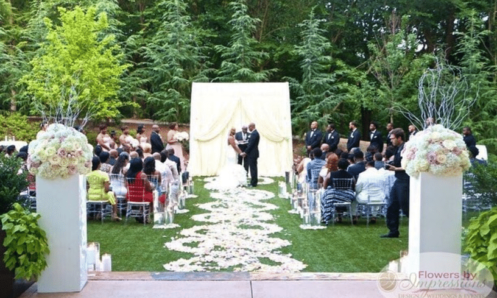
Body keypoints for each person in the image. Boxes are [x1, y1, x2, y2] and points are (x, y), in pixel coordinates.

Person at [382, 128, 409, 238]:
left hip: (405, 181)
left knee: (406, 206)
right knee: (392, 204)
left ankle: (419, 228)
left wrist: (395, 168)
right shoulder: (398, 149)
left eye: (392, 138)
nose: (391, 141)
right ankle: (393, 230)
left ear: (399, 138)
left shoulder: (407, 149)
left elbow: (409, 166)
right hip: (398, 180)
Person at [321, 159, 356, 224]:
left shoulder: (331, 174)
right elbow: (354, 187)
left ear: (338, 166)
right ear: (347, 166)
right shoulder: (351, 176)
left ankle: (325, 215)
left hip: (333, 196)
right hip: (347, 197)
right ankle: (340, 216)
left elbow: (324, 185)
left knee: (325, 195)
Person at [86, 157, 121, 221]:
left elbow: (87, 187)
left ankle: (97, 214)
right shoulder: (104, 174)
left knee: (110, 195)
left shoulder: (88, 175)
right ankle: (114, 214)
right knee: (113, 194)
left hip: (90, 196)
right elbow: (106, 189)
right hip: (101, 195)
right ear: (99, 164)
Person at [240, 123, 260, 187]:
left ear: (252, 127)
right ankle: (253, 181)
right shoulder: (255, 133)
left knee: (253, 169)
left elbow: (251, 145)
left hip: (252, 154)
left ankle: (253, 183)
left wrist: (245, 152)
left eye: (249, 127)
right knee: (253, 168)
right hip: (253, 153)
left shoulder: (254, 133)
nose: (248, 129)